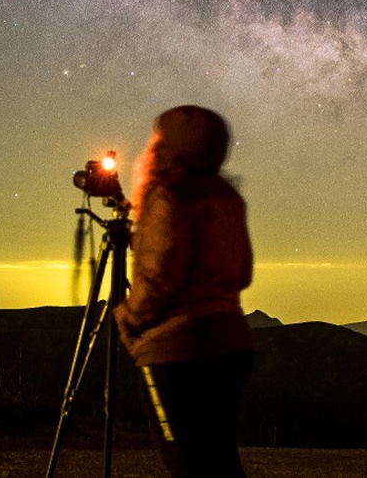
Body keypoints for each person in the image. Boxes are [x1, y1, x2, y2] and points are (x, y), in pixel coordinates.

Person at [114, 105, 254, 478]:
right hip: (231, 343)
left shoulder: (169, 194)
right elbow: (243, 271)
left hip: (178, 351)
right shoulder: (227, 196)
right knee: (221, 463)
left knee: (188, 466)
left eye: (156, 138)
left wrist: (127, 318)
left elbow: (159, 276)